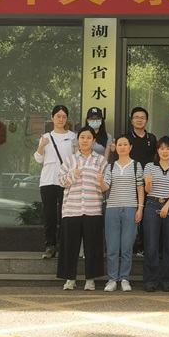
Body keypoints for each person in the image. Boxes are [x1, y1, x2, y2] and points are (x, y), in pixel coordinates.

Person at [56, 127, 108, 291]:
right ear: (78, 140)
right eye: (82, 137)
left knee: (92, 246)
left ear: (94, 141)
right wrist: (74, 174)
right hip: (71, 209)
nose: (85, 140)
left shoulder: (101, 161)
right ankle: (69, 279)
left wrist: (100, 180)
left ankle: (90, 279)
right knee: (69, 246)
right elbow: (61, 181)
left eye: (89, 137)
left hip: (93, 209)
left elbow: (106, 186)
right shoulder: (70, 160)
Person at [34, 104, 76, 260]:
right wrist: (42, 146)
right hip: (48, 180)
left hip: (66, 181)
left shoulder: (73, 137)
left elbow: (76, 159)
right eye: (58, 116)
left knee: (65, 214)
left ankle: (64, 245)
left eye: (64, 116)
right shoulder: (45, 137)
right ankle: (50, 245)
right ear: (52, 118)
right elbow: (38, 159)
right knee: (49, 215)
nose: (61, 119)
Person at [103, 135, 144, 292]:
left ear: (130, 147)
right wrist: (100, 180)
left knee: (127, 247)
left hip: (130, 208)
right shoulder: (110, 166)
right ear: (116, 147)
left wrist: (140, 208)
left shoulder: (136, 166)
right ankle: (112, 279)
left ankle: (125, 279)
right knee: (113, 247)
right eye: (119, 144)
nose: (122, 147)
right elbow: (105, 187)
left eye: (125, 144)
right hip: (112, 208)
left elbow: (140, 188)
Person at [142, 136, 169, 292]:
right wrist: (149, 182)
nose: (165, 152)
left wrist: (166, 206)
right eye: (162, 148)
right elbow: (147, 190)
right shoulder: (149, 166)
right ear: (157, 150)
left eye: (168, 149)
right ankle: (150, 281)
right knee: (151, 245)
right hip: (151, 205)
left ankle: (167, 280)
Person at [126, 106, 157, 256]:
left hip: (146, 181)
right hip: (129, 180)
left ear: (147, 121)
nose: (139, 120)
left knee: (145, 213)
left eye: (142, 118)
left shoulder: (152, 138)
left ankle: (144, 247)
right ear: (132, 120)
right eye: (136, 117)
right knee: (131, 213)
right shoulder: (125, 138)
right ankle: (131, 247)